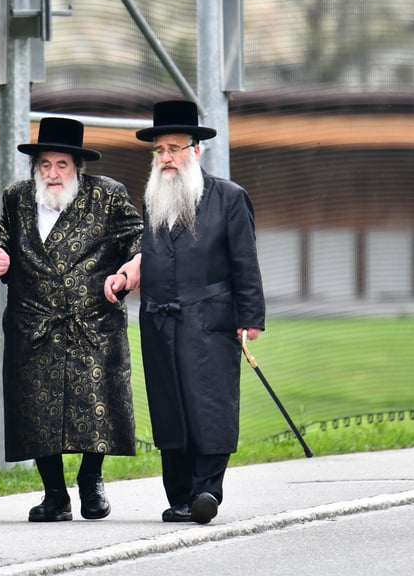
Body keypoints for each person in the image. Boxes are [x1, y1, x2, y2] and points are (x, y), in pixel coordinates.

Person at [0, 117, 142, 522]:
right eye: (45, 165)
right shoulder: (18, 197)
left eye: (61, 165)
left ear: (77, 167)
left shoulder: (107, 195)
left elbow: (139, 237)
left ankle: (91, 481)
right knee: (35, 409)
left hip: (93, 321)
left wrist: (128, 271)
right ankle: (54, 495)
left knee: (96, 403)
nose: (52, 174)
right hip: (33, 323)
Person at [130, 100, 266, 525]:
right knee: (169, 408)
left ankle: (207, 491)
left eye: (175, 148)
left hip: (210, 321)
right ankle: (180, 496)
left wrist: (251, 317)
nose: (167, 157)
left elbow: (245, 262)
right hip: (158, 322)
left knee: (209, 405)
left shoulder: (228, 197)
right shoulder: (153, 200)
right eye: (160, 150)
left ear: (196, 150)